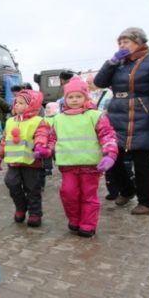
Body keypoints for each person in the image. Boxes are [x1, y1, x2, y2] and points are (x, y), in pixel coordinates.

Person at [93, 27, 149, 215]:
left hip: (142, 114)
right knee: (115, 158)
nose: (122, 45)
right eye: (119, 42)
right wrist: (111, 63)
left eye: (125, 41)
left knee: (141, 161)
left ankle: (147, 201)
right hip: (118, 113)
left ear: (139, 42)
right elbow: (100, 82)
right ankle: (127, 190)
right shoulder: (119, 64)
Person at [51, 77, 118, 237]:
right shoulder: (58, 118)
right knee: (68, 193)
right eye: (71, 97)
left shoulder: (95, 115)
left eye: (78, 96)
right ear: (65, 99)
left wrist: (110, 154)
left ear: (85, 97)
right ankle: (74, 219)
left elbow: (108, 135)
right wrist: (44, 149)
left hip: (90, 165)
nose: (74, 100)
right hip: (68, 165)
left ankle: (88, 224)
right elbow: (51, 138)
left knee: (89, 195)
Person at [0, 89, 53, 227]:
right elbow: (4, 140)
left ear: (31, 105)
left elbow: (42, 135)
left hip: (32, 162)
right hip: (14, 162)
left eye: (21, 103)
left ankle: (35, 213)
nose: (17, 105)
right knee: (11, 183)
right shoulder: (9, 122)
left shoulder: (38, 121)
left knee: (33, 189)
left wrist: (40, 147)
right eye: (16, 103)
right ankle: (20, 207)